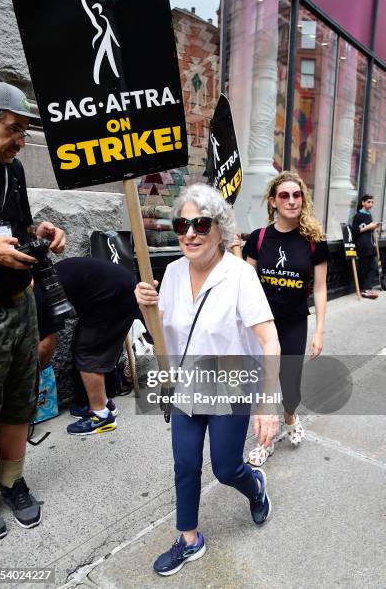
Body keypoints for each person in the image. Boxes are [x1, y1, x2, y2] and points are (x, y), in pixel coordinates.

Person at [135, 183, 280, 577]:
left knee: (226, 468)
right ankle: (190, 540)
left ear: (220, 229)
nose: (189, 234)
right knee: (185, 465)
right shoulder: (172, 272)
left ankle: (255, 486)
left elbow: (269, 339)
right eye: (182, 224)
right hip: (186, 386)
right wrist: (146, 304)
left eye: (200, 224)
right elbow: (161, 330)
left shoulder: (239, 276)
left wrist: (267, 404)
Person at [0, 81, 65, 541]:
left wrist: (42, 228)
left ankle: (12, 482)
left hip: (20, 303)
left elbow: (21, 223)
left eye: (25, 133)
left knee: (18, 398)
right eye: (14, 129)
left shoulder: (12, 173)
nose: (20, 141)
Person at [243, 171, 329, 466]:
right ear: (273, 201)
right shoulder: (259, 238)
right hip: (262, 324)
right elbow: (245, 283)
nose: (291, 201)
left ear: (302, 199)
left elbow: (319, 288)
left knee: (290, 385)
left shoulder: (314, 242)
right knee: (263, 382)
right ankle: (264, 442)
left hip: (293, 322)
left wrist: (319, 331)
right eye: (284, 195)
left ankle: (290, 415)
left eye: (297, 195)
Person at [34, 257, 138, 435]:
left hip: (115, 294)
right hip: (119, 288)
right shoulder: (40, 279)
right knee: (88, 346)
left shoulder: (39, 296)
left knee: (87, 350)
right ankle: (103, 403)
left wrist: (35, 373)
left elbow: (46, 343)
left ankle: (101, 416)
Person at [351, 194, 379, 299]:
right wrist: (369, 227)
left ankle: (367, 288)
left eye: (372, 202)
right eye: (369, 202)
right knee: (364, 268)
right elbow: (354, 231)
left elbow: (368, 229)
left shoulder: (369, 214)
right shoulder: (359, 215)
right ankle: (364, 289)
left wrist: (374, 227)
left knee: (374, 267)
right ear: (363, 202)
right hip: (362, 245)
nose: (371, 204)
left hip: (370, 245)